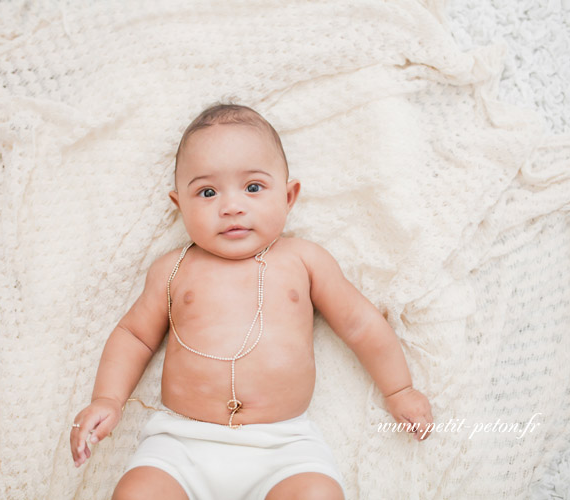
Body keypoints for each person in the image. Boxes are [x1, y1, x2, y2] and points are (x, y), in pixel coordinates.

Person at [70, 103, 434, 499]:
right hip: (180, 445)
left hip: (283, 449)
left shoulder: (304, 260)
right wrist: (107, 399)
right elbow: (134, 336)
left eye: (254, 188)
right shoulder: (173, 269)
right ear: (179, 205)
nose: (231, 206)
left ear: (289, 195)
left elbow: (361, 324)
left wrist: (399, 389)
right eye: (207, 192)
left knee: (317, 494)